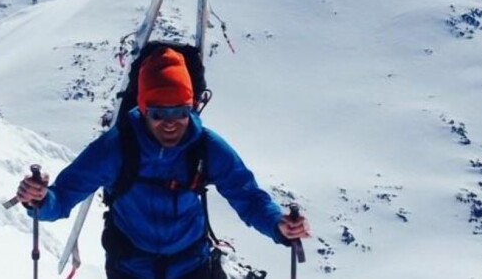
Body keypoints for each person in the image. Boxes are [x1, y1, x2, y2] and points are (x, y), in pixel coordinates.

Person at [16, 46, 310, 279]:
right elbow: (62, 198)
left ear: (191, 107)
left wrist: (277, 225)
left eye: (179, 112)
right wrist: (39, 200)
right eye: (159, 113)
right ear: (143, 108)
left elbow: (247, 196)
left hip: (191, 268)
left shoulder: (205, 146)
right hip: (131, 269)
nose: (171, 124)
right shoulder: (117, 148)